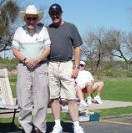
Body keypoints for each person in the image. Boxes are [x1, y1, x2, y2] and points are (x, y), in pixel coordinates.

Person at [12, 5, 51, 133]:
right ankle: (26, 129)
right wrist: (25, 60)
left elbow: (47, 48)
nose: (31, 21)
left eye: (34, 18)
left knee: (41, 100)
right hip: (23, 67)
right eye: (29, 18)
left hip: (40, 67)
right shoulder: (19, 31)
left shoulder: (43, 30)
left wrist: (38, 59)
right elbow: (15, 50)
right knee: (24, 101)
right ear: (25, 19)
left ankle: (39, 129)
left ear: (37, 19)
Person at [47, 3, 84, 133]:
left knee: (71, 98)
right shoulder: (47, 29)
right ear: (50, 14)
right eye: (52, 13)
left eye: (57, 13)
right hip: (51, 65)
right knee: (54, 97)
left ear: (61, 13)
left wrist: (76, 66)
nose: (55, 15)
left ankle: (76, 125)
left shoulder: (71, 27)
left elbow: (77, 48)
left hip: (67, 64)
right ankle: (57, 125)